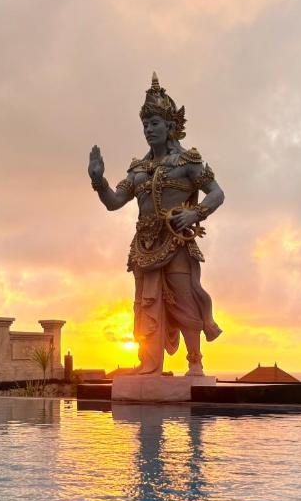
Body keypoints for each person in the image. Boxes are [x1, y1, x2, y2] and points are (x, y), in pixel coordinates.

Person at [88, 73, 224, 376]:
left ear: (171, 126)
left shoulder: (188, 162)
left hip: (175, 241)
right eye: (145, 125)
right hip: (144, 245)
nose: (149, 130)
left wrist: (195, 213)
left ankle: (195, 363)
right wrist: (98, 180)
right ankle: (148, 363)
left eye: (155, 124)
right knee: (144, 303)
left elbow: (217, 193)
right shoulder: (138, 169)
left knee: (183, 299)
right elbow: (114, 202)